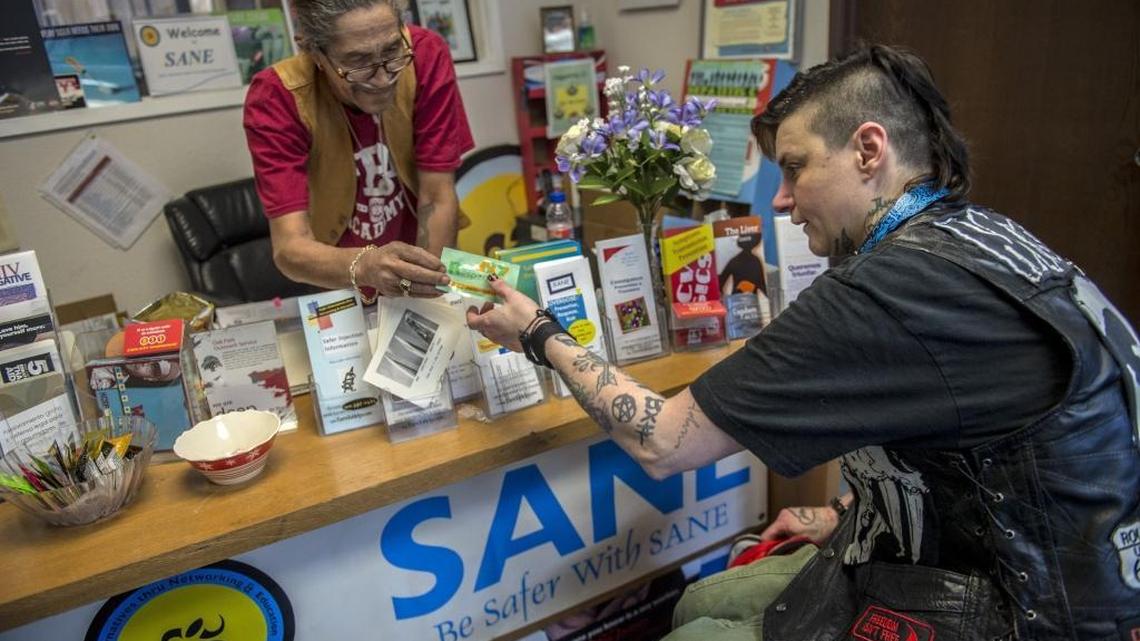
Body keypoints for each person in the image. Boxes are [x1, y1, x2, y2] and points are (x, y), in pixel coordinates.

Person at [467, 44, 1140, 641]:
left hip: (1022, 610)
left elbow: (666, 441)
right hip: (1071, 574)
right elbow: (967, 432)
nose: (782, 200)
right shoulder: (979, 237)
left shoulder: (890, 286)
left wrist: (536, 332)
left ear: (868, 151)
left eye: (795, 168)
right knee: (701, 596)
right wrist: (842, 508)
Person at [243, 0, 474, 302]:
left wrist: (427, 299)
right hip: (337, 286)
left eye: (391, 51)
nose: (383, 79)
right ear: (314, 53)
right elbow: (290, 247)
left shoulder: (425, 54)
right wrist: (364, 265)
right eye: (358, 62)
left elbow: (437, 195)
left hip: (418, 270)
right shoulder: (277, 97)